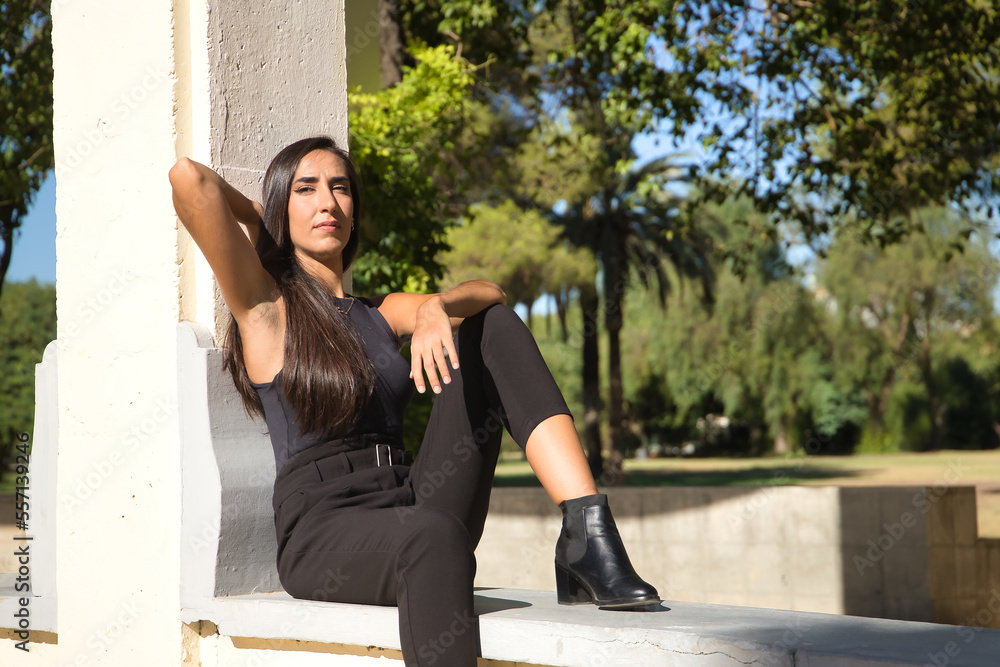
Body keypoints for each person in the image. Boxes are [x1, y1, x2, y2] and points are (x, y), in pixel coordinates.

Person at [169, 136, 659, 666]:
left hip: (413, 499)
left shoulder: (380, 312)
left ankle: (587, 532)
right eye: (305, 190)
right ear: (282, 208)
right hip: (323, 528)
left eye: (340, 188)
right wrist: (261, 219)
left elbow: (492, 293)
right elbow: (188, 180)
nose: (328, 203)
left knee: (491, 325)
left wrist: (436, 307)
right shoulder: (266, 308)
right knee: (431, 535)